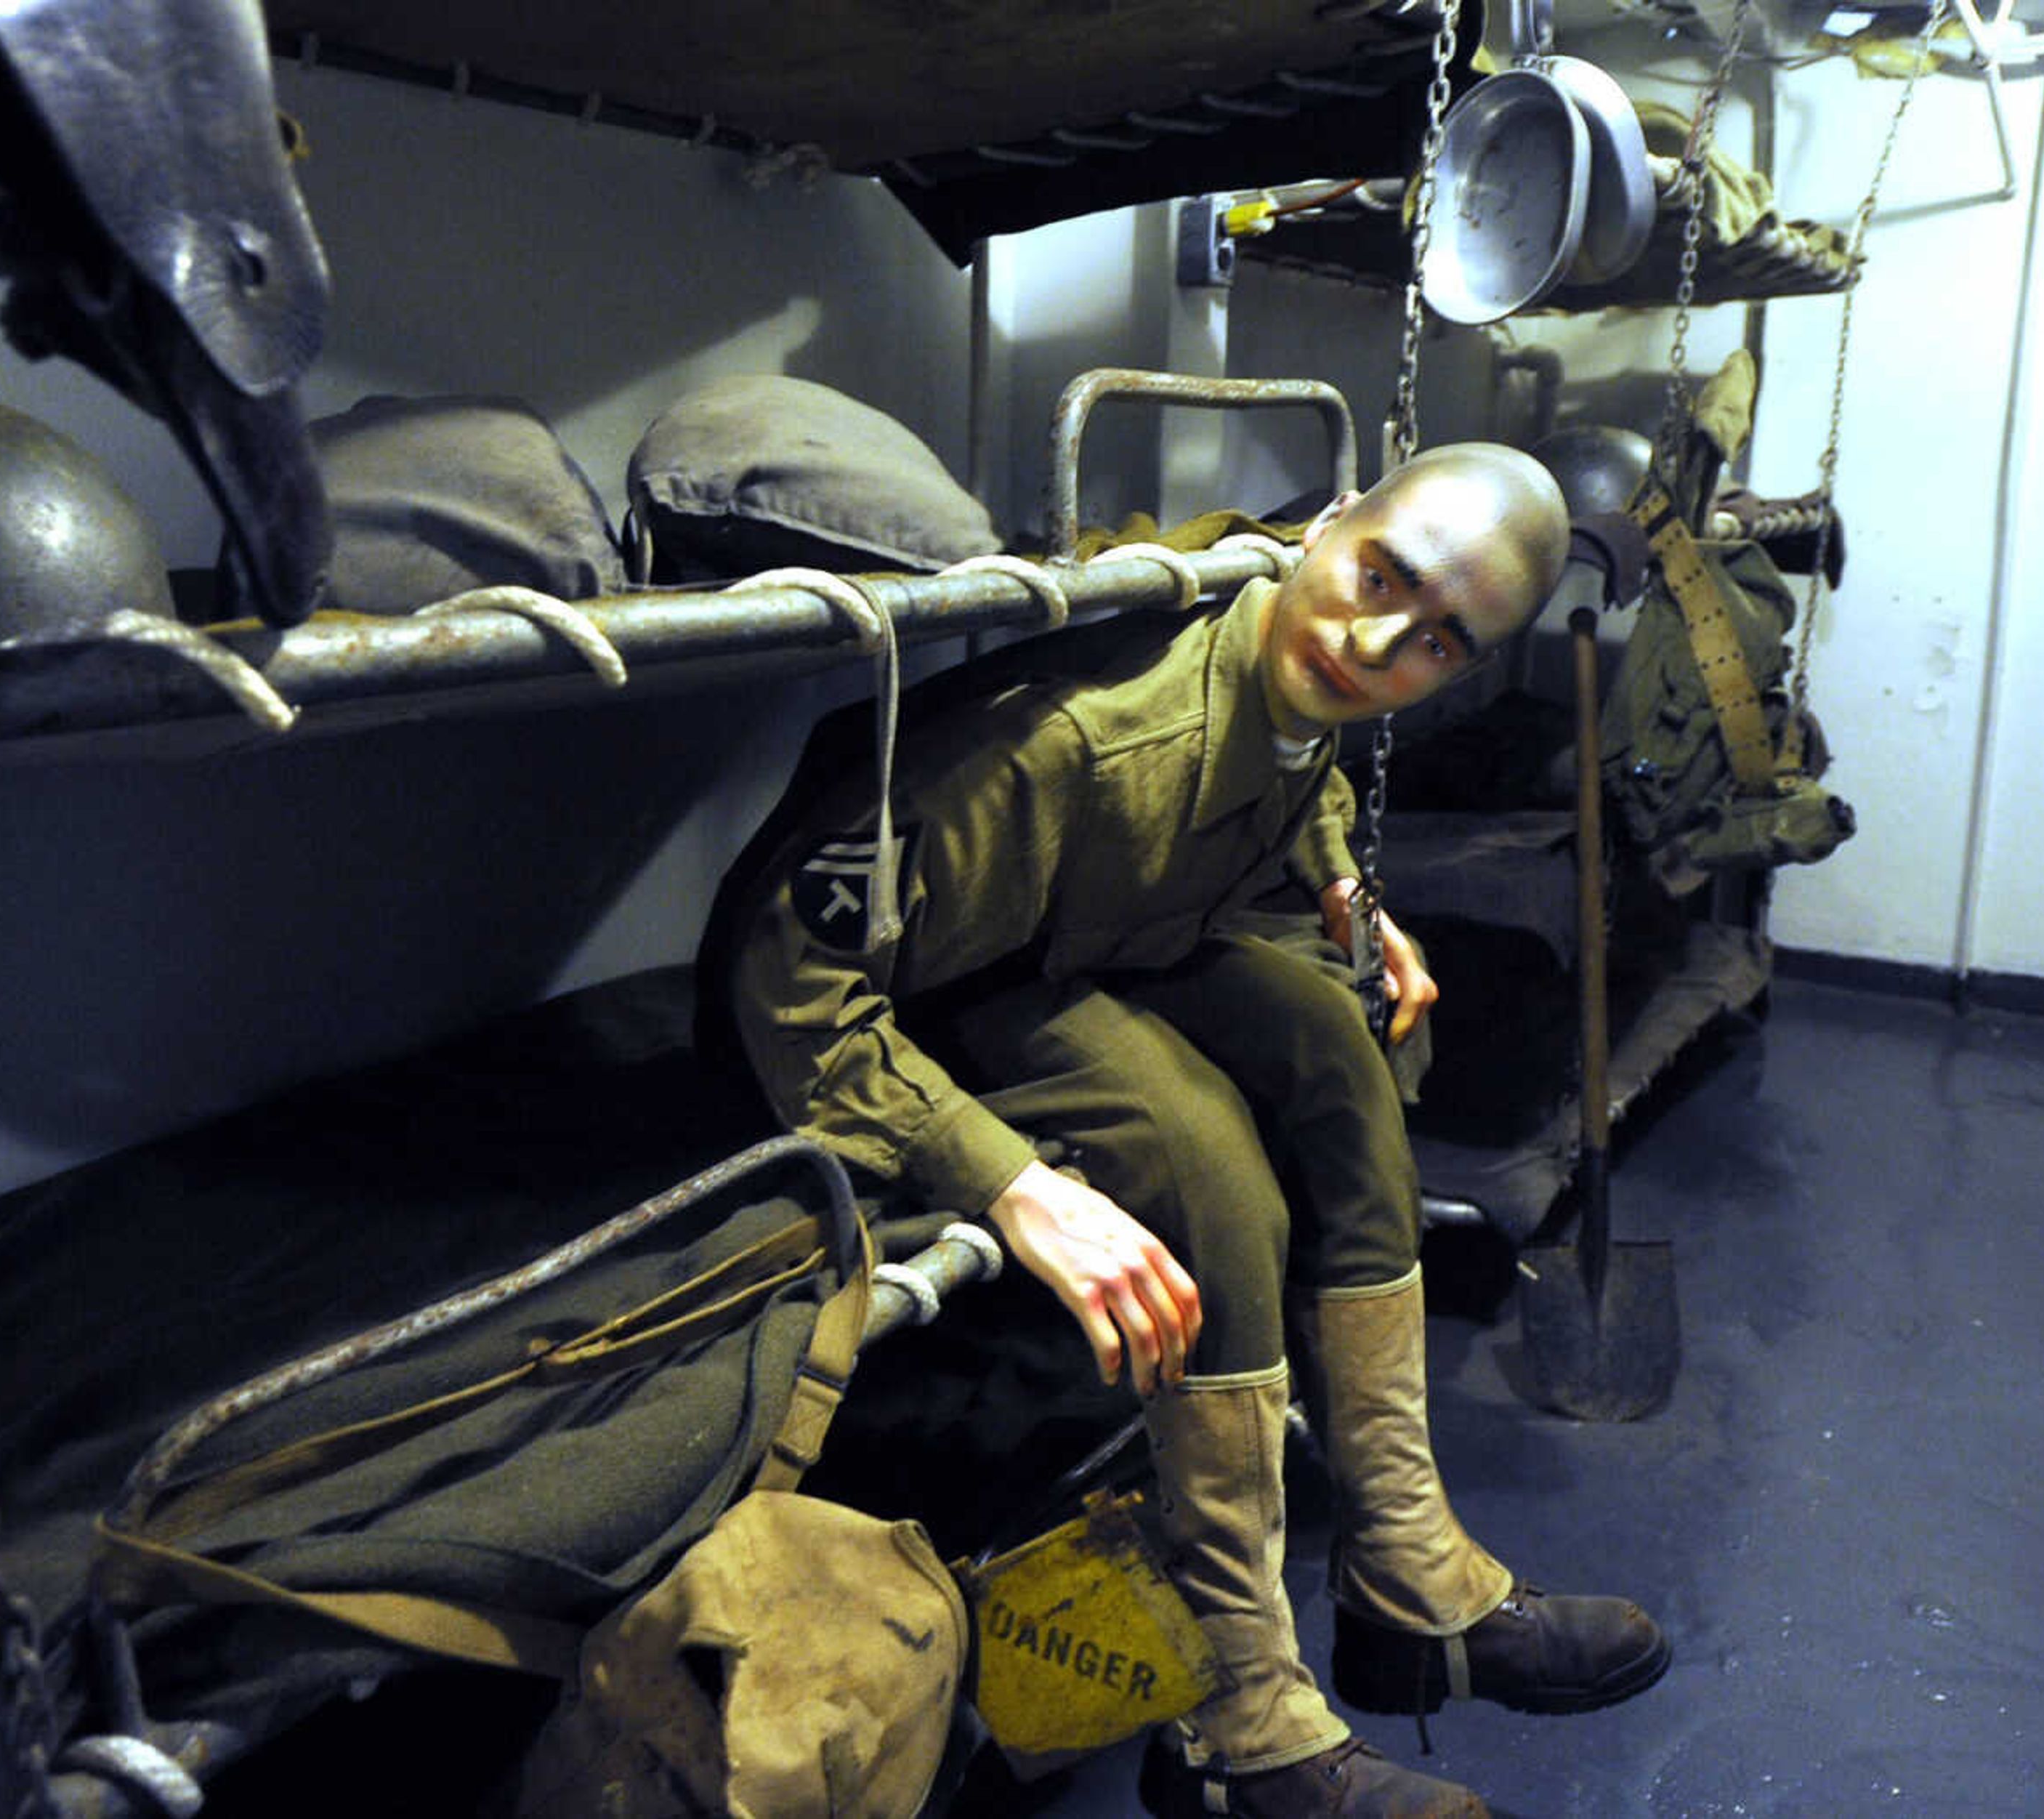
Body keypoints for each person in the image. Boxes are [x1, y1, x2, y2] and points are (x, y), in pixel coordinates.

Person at [700, 445, 1668, 1818]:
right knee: (1202, 1156)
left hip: (1105, 931)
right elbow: (784, 979)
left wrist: (1342, 889)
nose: (1377, 643)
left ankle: (1406, 1576)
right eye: (1377, 576)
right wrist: (1013, 1183)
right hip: (909, 993)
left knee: (1343, 1043)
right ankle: (1236, 1719)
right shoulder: (1063, 746)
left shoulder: (1302, 658)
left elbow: (1308, 765)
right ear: (1327, 529)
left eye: (1436, 641)